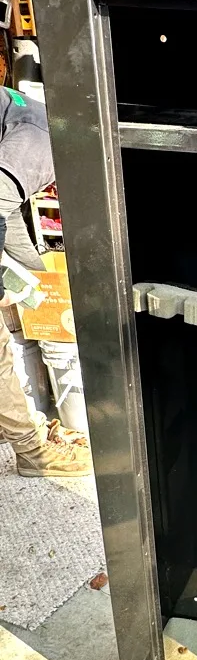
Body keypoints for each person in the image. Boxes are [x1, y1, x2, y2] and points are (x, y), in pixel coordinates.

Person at [0, 85, 91, 477]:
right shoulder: (46, 143)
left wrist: (36, 275)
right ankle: (33, 452)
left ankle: (14, 424)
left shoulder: (35, 119)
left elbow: (8, 210)